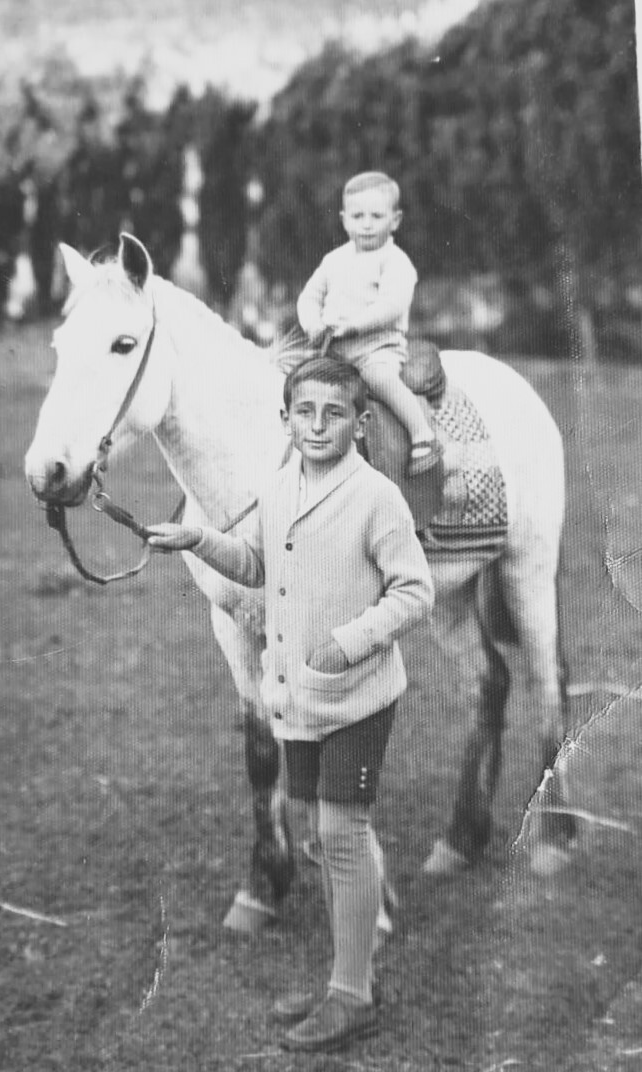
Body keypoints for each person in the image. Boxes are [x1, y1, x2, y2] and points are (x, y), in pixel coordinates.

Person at [147, 357, 434, 1053]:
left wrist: (348, 641)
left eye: (333, 413)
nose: (316, 426)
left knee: (340, 834)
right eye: (303, 412)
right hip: (298, 698)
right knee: (322, 835)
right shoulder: (278, 489)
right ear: (285, 420)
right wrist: (198, 539)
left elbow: (414, 591)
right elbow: (254, 565)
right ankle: (344, 978)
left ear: (360, 422)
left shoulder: (376, 498)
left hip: (356, 697)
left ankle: (352, 995)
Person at [297, 170, 442, 477]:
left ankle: (422, 435)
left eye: (376, 216)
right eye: (357, 215)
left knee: (380, 378)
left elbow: (391, 306)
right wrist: (313, 325)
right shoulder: (333, 260)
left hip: (376, 349)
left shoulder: (395, 261)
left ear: (395, 219)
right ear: (344, 218)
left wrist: (353, 325)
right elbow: (309, 297)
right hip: (333, 351)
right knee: (301, 381)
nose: (366, 224)